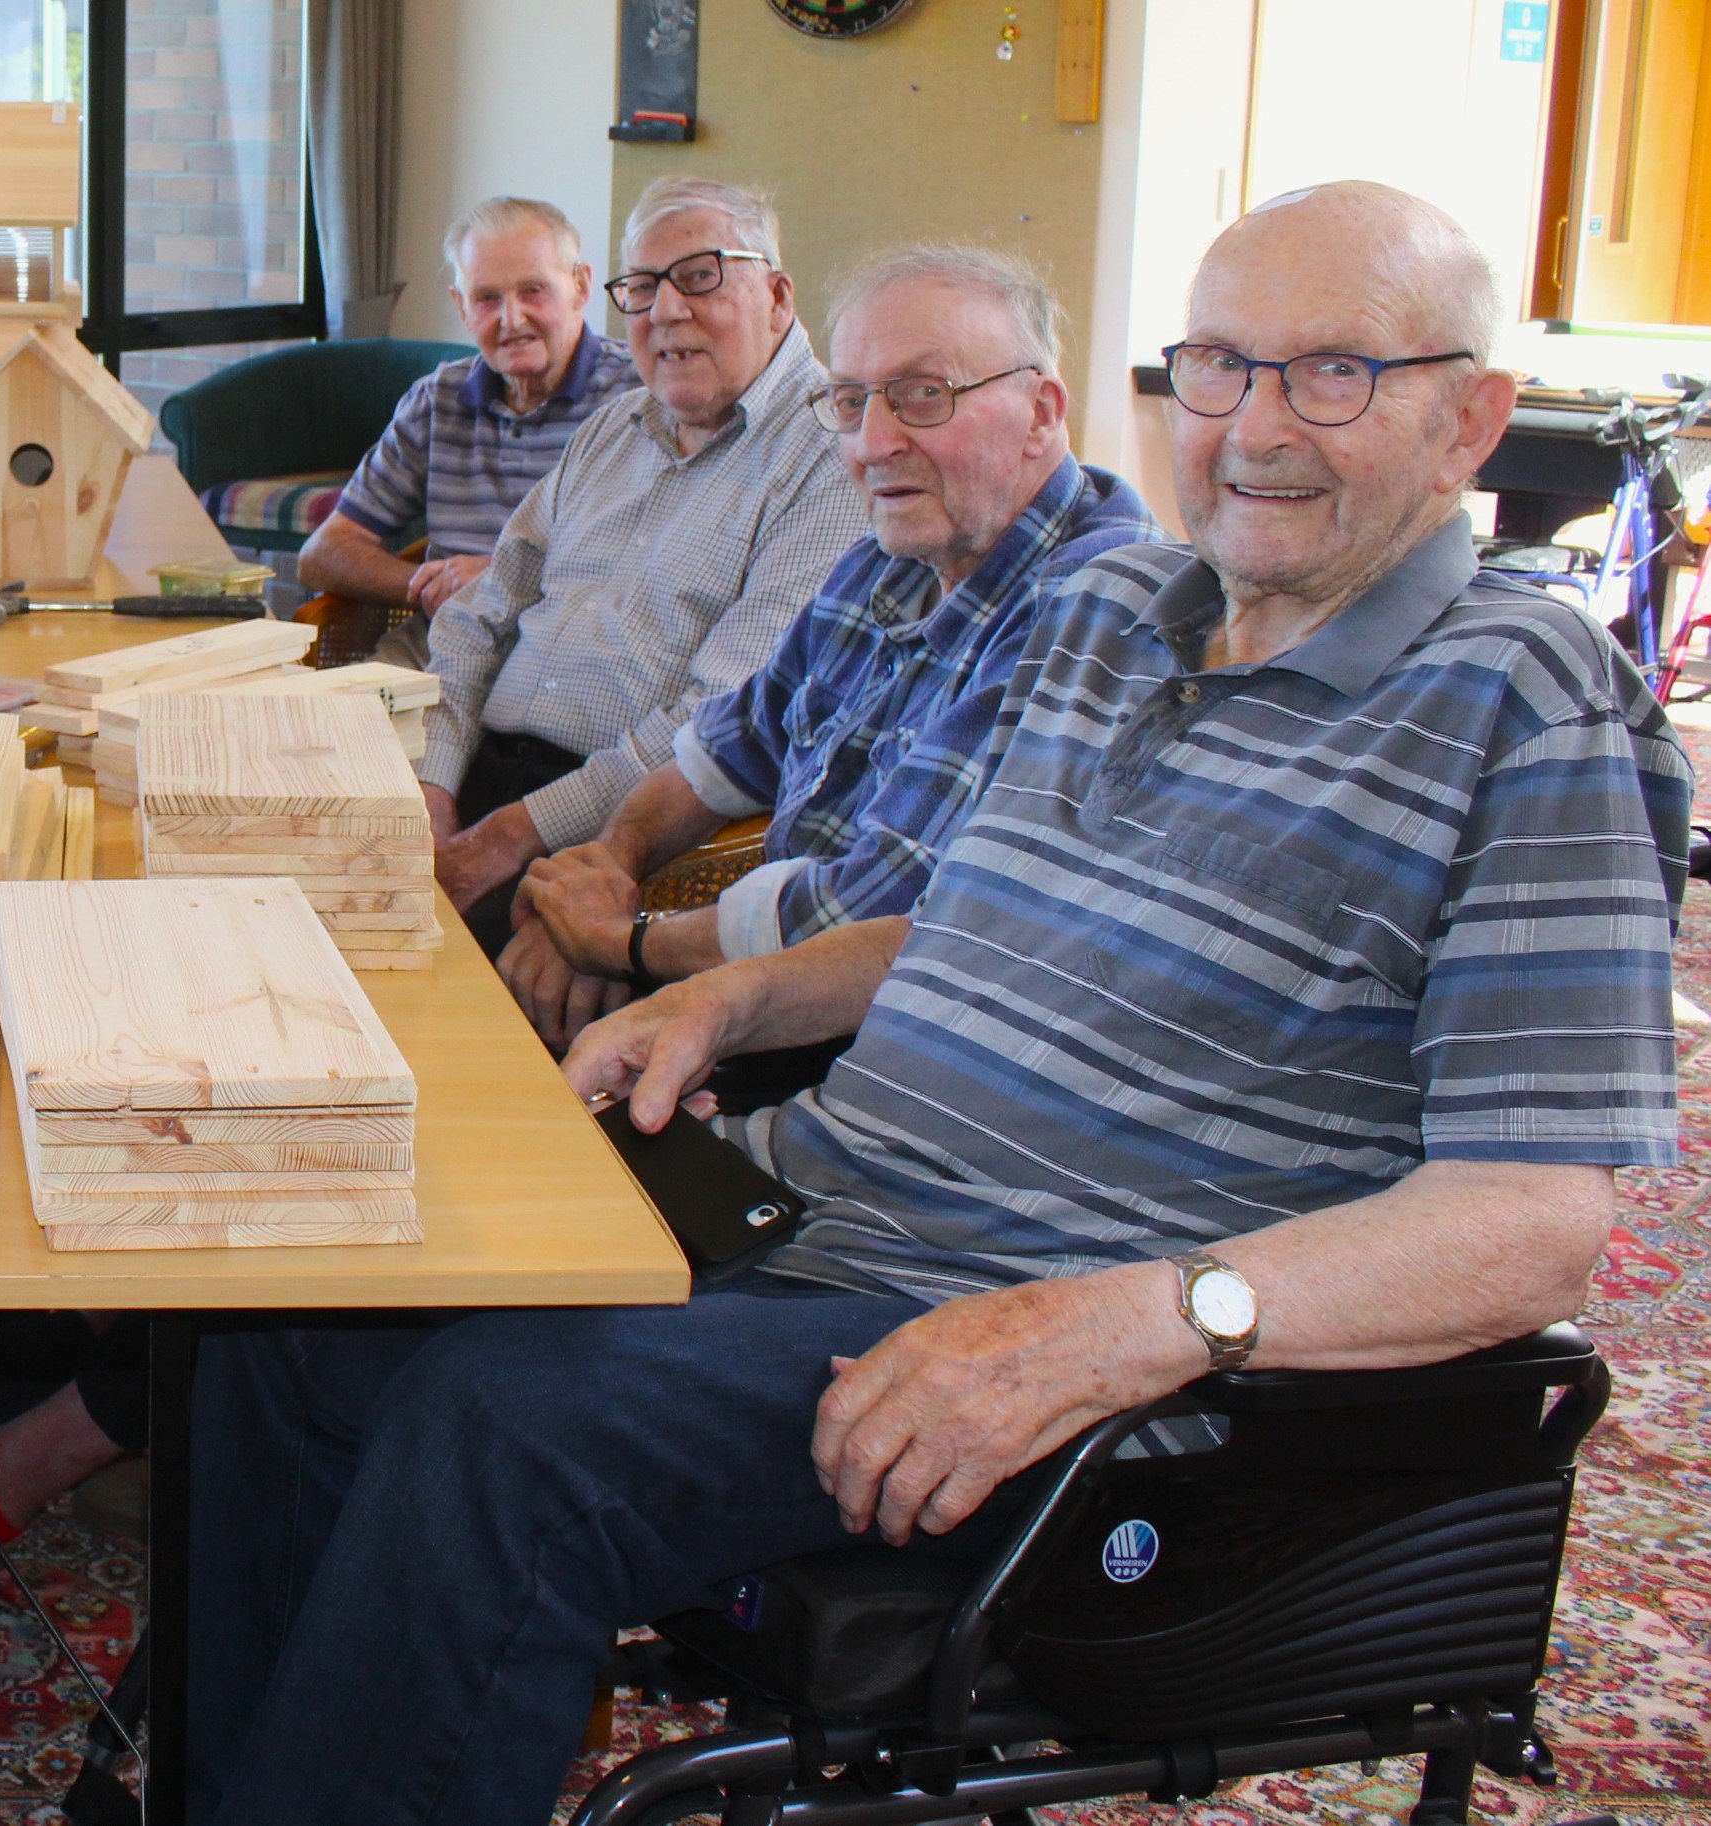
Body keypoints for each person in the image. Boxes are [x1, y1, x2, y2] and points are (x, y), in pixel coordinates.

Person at [190, 182, 1689, 1826]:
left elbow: (1533, 1223)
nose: (1254, 426)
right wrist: (729, 1003)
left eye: (1331, 372)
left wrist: (1128, 1322)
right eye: (1215, 367)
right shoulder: (1117, 615)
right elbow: (954, 923)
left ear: (1466, 416)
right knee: (297, 1308)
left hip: (1035, 1335)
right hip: (816, 1205)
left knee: (503, 1431)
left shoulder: (1527, 703)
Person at [495, 246, 1159, 1052]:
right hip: (751, 1001)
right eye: (849, 402)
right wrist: (610, 862)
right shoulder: (892, 555)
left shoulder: (1093, 604)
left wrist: (624, 941)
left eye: (923, 396)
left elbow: (874, 907)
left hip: (897, 1060)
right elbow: (723, 748)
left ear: (1043, 412)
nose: (873, 444)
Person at [418, 177, 862, 954]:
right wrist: (431, 786)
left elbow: (723, 717)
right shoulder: (615, 426)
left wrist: (509, 839)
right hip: (474, 788)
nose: (664, 311)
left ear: (778, 296)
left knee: (378, 996)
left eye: (700, 276)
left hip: (628, 834)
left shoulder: (830, 458)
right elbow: (479, 615)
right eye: (645, 287)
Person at [294, 198, 640, 667]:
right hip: (436, 651)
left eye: (533, 290)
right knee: (326, 730)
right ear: (462, 306)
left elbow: (652, 569)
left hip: (570, 660)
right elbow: (322, 554)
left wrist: (500, 580)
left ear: (580, 287)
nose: (511, 319)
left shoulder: (639, 399)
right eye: (487, 298)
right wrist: (433, 585)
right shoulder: (437, 400)